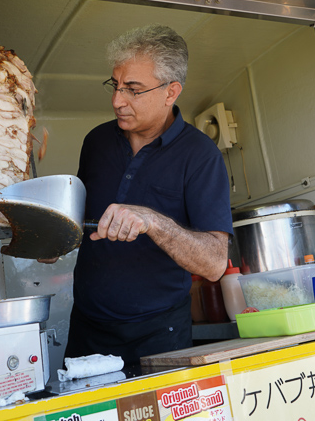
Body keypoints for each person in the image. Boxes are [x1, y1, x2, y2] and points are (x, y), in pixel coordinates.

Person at [43, 24, 233, 365]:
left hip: (160, 333)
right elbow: (82, 224)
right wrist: (52, 240)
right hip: (88, 328)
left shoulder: (201, 155)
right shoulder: (97, 142)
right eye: (114, 86)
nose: (117, 101)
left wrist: (153, 222)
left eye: (133, 90)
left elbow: (215, 264)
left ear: (171, 92)